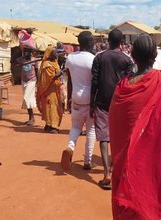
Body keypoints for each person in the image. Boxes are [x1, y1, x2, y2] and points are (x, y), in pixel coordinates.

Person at [109, 34, 161, 219]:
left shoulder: (121, 87)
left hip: (128, 163)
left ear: (133, 57)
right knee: (154, 197)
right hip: (155, 159)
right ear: (155, 57)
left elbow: (116, 126)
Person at [90, 29, 133, 189]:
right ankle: (115, 169)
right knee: (119, 136)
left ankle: (107, 173)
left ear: (108, 41)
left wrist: (91, 104)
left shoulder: (99, 57)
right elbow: (129, 83)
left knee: (104, 137)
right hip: (120, 103)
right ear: (121, 42)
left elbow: (94, 82)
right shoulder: (127, 60)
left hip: (101, 102)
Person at [61, 31, 96, 170]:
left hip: (76, 98)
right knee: (91, 130)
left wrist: (70, 98)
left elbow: (69, 80)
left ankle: (70, 147)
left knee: (75, 127)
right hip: (90, 100)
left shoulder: (70, 58)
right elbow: (95, 82)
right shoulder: (93, 59)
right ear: (89, 43)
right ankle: (87, 161)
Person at [37, 45, 63, 134]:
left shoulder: (55, 62)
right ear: (50, 54)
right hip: (48, 89)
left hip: (55, 89)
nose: (57, 54)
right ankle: (52, 126)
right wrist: (61, 73)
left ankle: (48, 125)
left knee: (54, 106)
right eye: (55, 52)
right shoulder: (46, 65)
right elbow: (50, 78)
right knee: (51, 107)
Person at [17, 48, 37, 125]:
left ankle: (32, 118)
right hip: (24, 81)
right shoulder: (22, 59)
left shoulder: (34, 60)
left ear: (31, 53)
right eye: (25, 52)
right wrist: (19, 51)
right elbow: (14, 60)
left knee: (27, 97)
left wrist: (37, 82)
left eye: (28, 52)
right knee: (27, 99)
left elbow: (37, 71)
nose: (26, 54)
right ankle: (30, 118)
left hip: (31, 80)